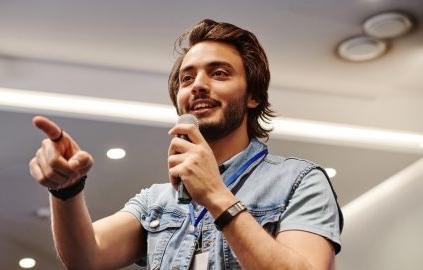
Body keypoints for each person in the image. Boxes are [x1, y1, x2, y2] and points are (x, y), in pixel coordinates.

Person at [29, 19, 343, 270]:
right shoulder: (157, 201)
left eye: (219, 73)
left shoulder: (299, 181)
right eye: (187, 79)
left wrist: (217, 197)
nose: (199, 86)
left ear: (253, 96)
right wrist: (66, 190)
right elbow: (87, 258)